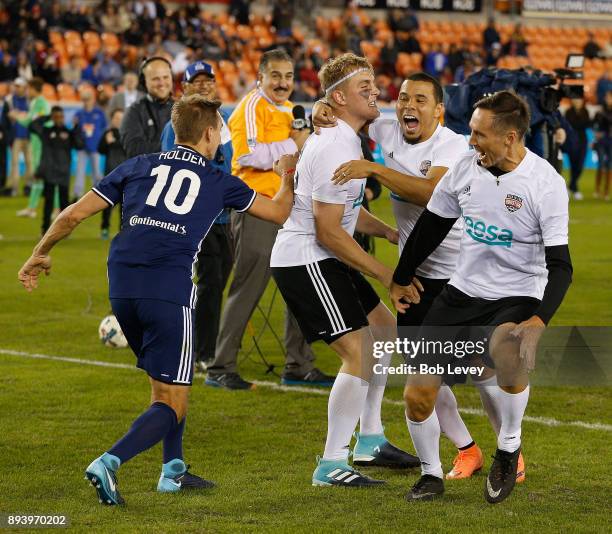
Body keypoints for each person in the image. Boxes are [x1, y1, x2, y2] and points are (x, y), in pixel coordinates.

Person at [18, 94, 299, 506]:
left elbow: (73, 214)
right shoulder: (220, 181)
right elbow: (278, 213)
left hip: (122, 287)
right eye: (219, 129)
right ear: (208, 134)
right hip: (168, 291)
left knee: (163, 387)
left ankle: (173, 470)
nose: (221, 136)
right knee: (175, 402)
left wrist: (39, 252)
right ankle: (109, 462)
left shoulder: (139, 165)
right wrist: (287, 174)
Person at [312, 72, 511, 482]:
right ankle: (467, 451)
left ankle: (512, 452)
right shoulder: (387, 129)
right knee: (425, 376)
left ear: (439, 110)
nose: (408, 106)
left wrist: (373, 169)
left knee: (480, 369)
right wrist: (321, 109)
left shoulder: (453, 144)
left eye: (420, 100)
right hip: (415, 281)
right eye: (403, 98)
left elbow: (431, 193)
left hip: (461, 278)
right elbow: (341, 110)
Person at [390, 90, 572, 503]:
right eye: (470, 132)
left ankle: (509, 447)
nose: (470, 142)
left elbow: (561, 266)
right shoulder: (465, 168)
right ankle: (431, 474)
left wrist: (538, 322)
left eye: (478, 134)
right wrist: (401, 276)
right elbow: (432, 227)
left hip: (518, 291)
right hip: (463, 290)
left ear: (509, 137)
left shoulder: (545, 184)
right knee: (417, 394)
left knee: (506, 348)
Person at [272, 53, 421, 487]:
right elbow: (328, 230)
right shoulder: (336, 142)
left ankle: (369, 439)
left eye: (374, 84)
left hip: (324, 253)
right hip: (306, 258)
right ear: (338, 98)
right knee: (358, 352)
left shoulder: (345, 136)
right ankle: (331, 463)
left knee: (385, 333)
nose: (375, 92)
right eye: (364, 88)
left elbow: (347, 214)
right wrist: (386, 274)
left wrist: (390, 233)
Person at [206, 48, 333, 390]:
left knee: (300, 286)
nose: (282, 83)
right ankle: (221, 366)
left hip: (290, 209)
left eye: (288, 77)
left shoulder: (293, 111)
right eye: (275, 75)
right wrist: (292, 143)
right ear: (260, 76)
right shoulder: (251, 106)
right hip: (257, 207)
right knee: (248, 287)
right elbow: (247, 154)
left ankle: (299, 365)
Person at [161, 60, 233, 373]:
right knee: (209, 282)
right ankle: (202, 350)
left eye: (208, 80)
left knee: (218, 282)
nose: (204, 85)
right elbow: (172, 168)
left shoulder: (226, 119)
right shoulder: (176, 126)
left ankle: (207, 342)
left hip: (227, 217)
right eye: (197, 81)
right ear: (185, 87)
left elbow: (234, 161)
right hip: (197, 218)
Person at [28, 105, 84, 234]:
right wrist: (47, 116)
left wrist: (76, 129)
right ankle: (45, 229)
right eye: (56, 116)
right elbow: (32, 126)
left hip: (63, 172)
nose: (60, 119)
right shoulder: (46, 132)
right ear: (53, 118)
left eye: (61, 116)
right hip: (50, 172)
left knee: (64, 204)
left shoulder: (69, 132)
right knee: (48, 202)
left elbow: (80, 145)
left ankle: (63, 231)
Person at [120, 57, 173, 158]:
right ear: (144, 82)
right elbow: (133, 149)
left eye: (166, 77)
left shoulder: (183, 110)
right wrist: (173, 148)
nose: (162, 83)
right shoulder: (133, 112)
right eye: (155, 79)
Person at [13, 77, 51, 218]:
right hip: (36, 143)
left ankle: (56, 209)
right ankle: (31, 208)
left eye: (29, 89)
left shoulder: (42, 104)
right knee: (38, 176)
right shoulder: (37, 102)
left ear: (34, 89)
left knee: (48, 177)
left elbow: (31, 122)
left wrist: (16, 116)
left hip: (41, 145)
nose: (27, 91)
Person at [73, 88, 107, 201]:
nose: (86, 101)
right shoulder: (78, 114)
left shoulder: (99, 113)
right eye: (84, 99)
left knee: (97, 172)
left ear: (93, 99)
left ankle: (98, 195)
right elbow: (75, 129)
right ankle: (77, 195)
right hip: (82, 147)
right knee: (79, 171)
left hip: (95, 146)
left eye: (88, 99)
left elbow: (104, 128)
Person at [97, 108, 126, 238]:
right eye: (116, 118)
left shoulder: (127, 134)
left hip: (126, 175)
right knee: (107, 204)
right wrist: (106, 142)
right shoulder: (107, 133)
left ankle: (122, 230)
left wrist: (113, 143)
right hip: (110, 174)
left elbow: (128, 148)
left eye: (120, 119)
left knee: (124, 206)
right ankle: (104, 228)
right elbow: (100, 149)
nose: (118, 121)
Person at [6, 78, 32, 197]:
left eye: (19, 86)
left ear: (24, 87)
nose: (17, 88)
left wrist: (17, 115)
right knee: (14, 163)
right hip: (16, 136)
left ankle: (28, 186)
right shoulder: (10, 99)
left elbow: (31, 117)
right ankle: (14, 188)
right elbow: (8, 117)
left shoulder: (29, 100)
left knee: (30, 163)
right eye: (16, 86)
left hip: (28, 136)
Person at [564, 97, 591, 200]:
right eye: (575, 99)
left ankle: (571, 185)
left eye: (579, 100)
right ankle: (575, 189)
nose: (577, 102)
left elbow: (587, 124)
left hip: (583, 141)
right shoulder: (568, 112)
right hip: (572, 141)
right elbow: (570, 125)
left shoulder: (585, 111)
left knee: (580, 166)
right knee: (573, 165)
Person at [593, 90, 611, 200]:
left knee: (609, 165)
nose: (608, 99)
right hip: (601, 141)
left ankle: (606, 191)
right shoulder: (600, 111)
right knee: (600, 164)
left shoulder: (602, 112)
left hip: (610, 140)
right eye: (607, 97)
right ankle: (597, 189)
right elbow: (594, 124)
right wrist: (596, 133)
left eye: (610, 97)